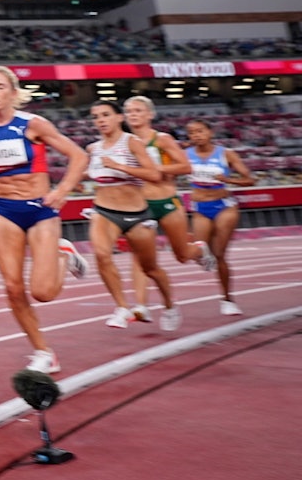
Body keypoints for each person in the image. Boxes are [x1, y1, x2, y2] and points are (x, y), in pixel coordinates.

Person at [0, 66, 90, 375]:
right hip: (5, 209)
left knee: (43, 293)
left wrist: (62, 190)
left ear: (12, 91)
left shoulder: (33, 124)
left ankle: (65, 254)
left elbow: (79, 156)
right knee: (12, 288)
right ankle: (42, 350)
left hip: (39, 209)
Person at [85, 101, 181, 332]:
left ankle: (169, 305)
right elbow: (85, 170)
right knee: (101, 254)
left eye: (106, 115)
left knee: (150, 269)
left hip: (137, 214)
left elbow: (154, 174)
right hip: (105, 211)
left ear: (119, 118)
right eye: (95, 116)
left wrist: (120, 167)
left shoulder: (133, 143)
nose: (100, 120)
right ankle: (121, 307)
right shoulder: (93, 148)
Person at [123, 96, 216, 321]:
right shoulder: (124, 142)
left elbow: (186, 166)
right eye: (128, 111)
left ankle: (198, 250)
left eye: (138, 110)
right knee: (139, 257)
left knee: (182, 255)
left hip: (165, 202)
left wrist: (155, 168)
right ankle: (141, 306)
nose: (133, 114)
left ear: (149, 115)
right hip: (140, 206)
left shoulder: (161, 139)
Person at [185, 118, 255, 315]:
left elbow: (250, 179)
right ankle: (207, 259)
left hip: (224, 207)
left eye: (200, 131)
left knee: (219, 255)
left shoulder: (226, 154)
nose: (196, 135)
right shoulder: (185, 155)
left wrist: (227, 180)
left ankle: (227, 299)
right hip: (200, 207)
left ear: (210, 133)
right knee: (198, 253)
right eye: (192, 133)